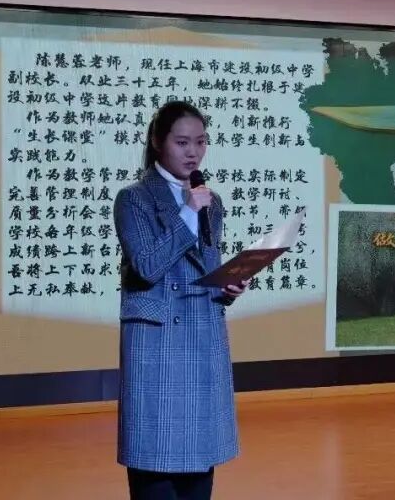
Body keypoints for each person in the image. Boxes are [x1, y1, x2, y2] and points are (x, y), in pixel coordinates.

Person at [113, 100, 248, 500]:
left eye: (201, 142)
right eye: (182, 142)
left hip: (202, 338)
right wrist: (188, 213)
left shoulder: (211, 202)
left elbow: (207, 268)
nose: (193, 152)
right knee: (155, 466)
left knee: (198, 475)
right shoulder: (133, 199)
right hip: (157, 345)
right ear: (158, 142)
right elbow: (147, 266)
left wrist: (228, 287)